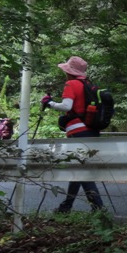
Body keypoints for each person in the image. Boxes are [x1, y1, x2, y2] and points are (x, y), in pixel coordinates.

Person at [41, 56, 104, 213]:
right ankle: (66, 206)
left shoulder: (71, 83)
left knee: (82, 172)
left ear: (70, 72)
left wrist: (50, 103)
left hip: (78, 131)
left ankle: (99, 208)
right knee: (77, 169)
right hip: (91, 130)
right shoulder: (88, 85)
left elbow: (66, 106)